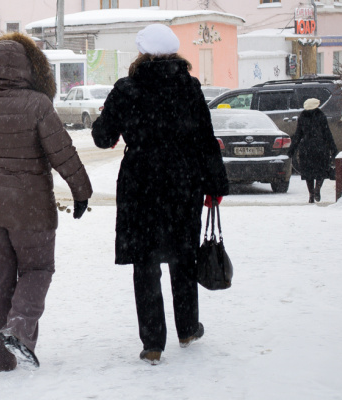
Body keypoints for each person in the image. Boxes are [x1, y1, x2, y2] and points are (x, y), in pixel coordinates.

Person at [0, 32, 93, 371]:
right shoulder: (37, 103)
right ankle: (20, 326)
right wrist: (81, 190)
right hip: (31, 206)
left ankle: (2, 358)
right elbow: (62, 152)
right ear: (28, 68)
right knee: (37, 268)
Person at [90, 24, 229, 365]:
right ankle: (187, 328)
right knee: (184, 256)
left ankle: (153, 342)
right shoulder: (189, 87)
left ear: (141, 53)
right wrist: (215, 185)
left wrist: (108, 122)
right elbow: (205, 139)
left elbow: (102, 137)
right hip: (184, 180)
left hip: (141, 182)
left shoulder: (126, 89)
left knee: (145, 261)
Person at [288, 98, 339, 203]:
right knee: (321, 171)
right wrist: (333, 149)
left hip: (306, 149)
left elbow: (298, 135)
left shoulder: (302, 117)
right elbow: (327, 134)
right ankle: (317, 189)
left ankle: (311, 194)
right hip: (321, 148)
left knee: (308, 173)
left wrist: (291, 150)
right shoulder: (321, 116)